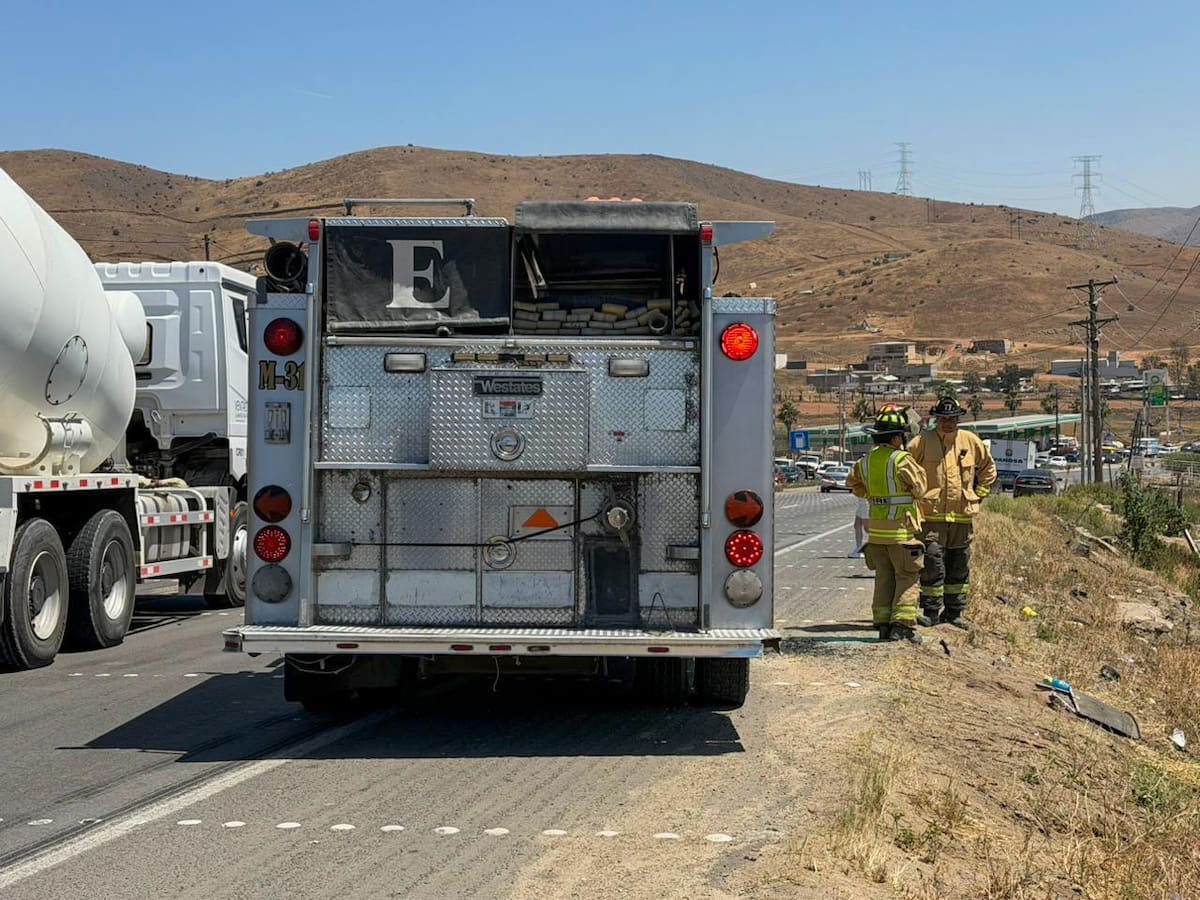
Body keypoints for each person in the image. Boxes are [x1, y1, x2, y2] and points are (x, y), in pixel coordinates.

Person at [907, 395, 998, 628]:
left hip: (961, 516)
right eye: (943, 418)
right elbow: (905, 466)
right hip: (931, 517)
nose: (948, 423)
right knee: (933, 562)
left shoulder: (970, 441)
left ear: (958, 419)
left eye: (952, 419)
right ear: (936, 419)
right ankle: (930, 611)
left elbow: (988, 467)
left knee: (959, 563)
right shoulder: (923, 441)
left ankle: (954, 612)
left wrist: (981, 492)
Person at [846, 407, 928, 643]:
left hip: (877, 534)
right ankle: (902, 626)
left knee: (883, 578)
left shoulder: (866, 461)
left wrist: (872, 495)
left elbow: (852, 483)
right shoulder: (901, 460)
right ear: (895, 438)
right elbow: (920, 489)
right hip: (901, 532)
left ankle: (883, 624)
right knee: (906, 578)